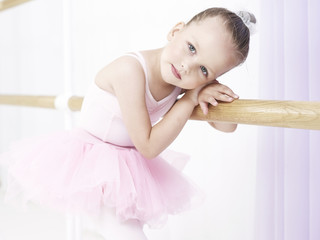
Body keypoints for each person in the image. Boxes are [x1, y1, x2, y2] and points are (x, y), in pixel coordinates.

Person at [1, 7, 256, 240]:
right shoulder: (130, 70)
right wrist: (189, 100)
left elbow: (228, 127)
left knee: (124, 231)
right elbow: (147, 146)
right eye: (191, 47)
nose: (187, 66)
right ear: (176, 30)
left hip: (125, 167)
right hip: (91, 164)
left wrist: (210, 91)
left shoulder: (184, 81)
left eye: (204, 69)